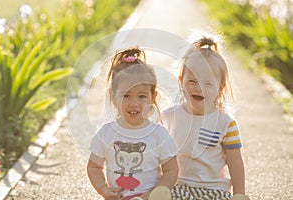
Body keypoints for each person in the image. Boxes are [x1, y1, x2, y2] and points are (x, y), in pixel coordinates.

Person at [162, 35, 248, 200]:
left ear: (220, 87)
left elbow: (235, 161)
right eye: (192, 81)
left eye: (208, 83)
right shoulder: (169, 117)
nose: (198, 88)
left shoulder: (225, 123)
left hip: (214, 189)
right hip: (178, 187)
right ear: (181, 81)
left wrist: (239, 194)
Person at [87, 47, 178, 200]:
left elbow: (171, 170)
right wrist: (103, 189)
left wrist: (156, 193)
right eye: (126, 96)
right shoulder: (106, 133)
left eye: (141, 96)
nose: (133, 103)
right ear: (113, 96)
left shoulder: (159, 135)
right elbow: (94, 166)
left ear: (152, 97)